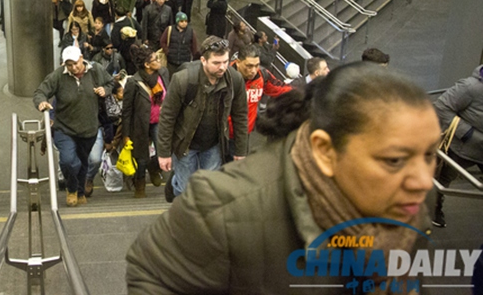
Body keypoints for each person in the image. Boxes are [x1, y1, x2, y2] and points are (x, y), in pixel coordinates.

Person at [128, 63, 442, 294]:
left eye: (429, 155)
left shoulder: (413, 204)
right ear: (325, 151)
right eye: (394, 160)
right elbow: (152, 277)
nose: (422, 181)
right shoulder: (224, 205)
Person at [157, 36, 247, 200]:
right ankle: (175, 183)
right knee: (185, 191)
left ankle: (198, 223)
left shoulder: (235, 80)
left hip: (213, 143)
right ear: (203, 60)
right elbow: (167, 117)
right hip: (185, 144)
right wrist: (163, 153)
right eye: (216, 63)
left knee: (209, 190)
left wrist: (241, 150)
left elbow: (240, 116)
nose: (222, 67)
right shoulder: (183, 80)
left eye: (225, 62)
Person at [34, 46, 115, 206]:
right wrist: (42, 102)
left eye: (76, 63)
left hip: (89, 128)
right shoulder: (58, 76)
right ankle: (71, 188)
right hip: (64, 128)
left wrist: (105, 90)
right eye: (69, 65)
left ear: (82, 58)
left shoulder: (96, 70)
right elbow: (40, 92)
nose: (74, 68)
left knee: (84, 161)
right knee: (68, 161)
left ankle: (78, 192)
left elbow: (112, 82)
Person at [432, 65, 483, 228]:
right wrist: (467, 133)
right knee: (443, 179)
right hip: (461, 147)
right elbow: (441, 106)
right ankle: (434, 209)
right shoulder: (470, 87)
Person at [121, 44, 170, 197]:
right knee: (141, 158)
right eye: (155, 59)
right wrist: (126, 134)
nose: (159, 60)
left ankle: (154, 167)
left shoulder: (163, 73)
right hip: (140, 124)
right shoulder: (133, 82)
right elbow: (127, 110)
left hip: (159, 121)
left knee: (164, 150)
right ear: (147, 64)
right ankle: (139, 186)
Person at [229, 44, 291, 148]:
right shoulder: (224, 75)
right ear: (238, 62)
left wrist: (306, 93)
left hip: (243, 133)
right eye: (249, 66)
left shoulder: (262, 75)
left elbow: (280, 88)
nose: (253, 70)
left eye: (256, 65)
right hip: (221, 133)